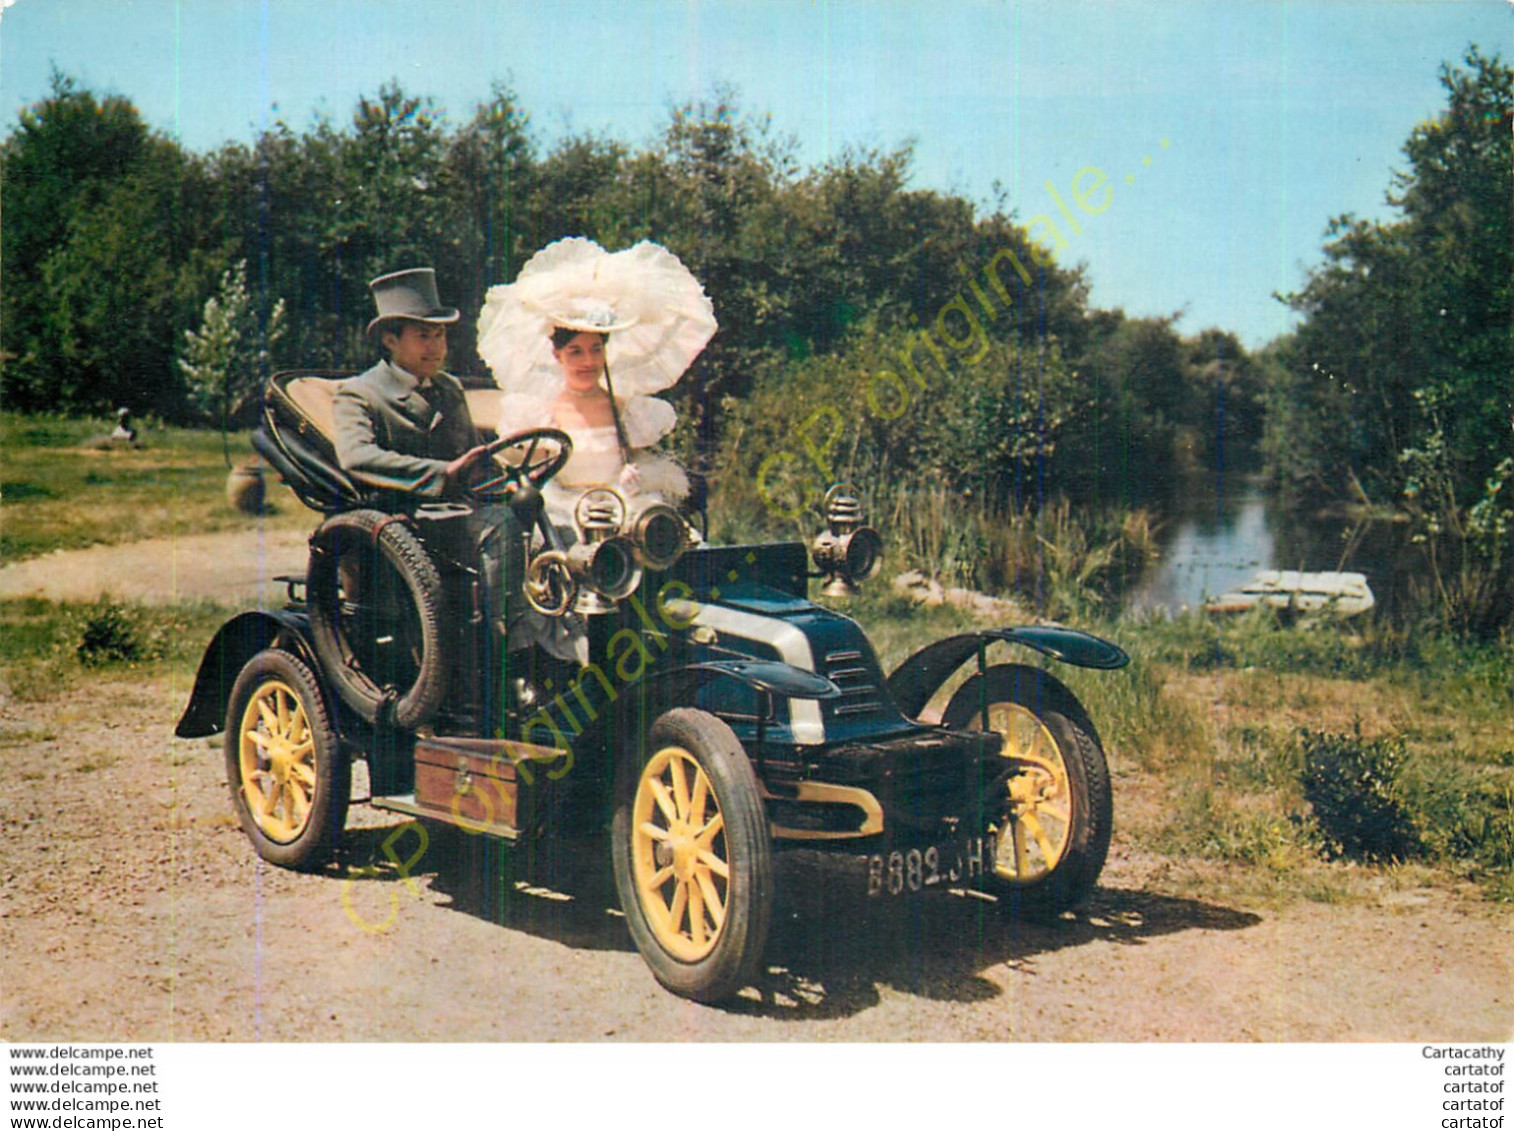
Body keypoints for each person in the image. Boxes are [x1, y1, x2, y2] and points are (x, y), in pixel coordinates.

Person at [332, 267, 493, 499]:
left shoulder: (449, 388)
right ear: (390, 341)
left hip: (463, 507)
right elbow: (355, 457)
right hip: (401, 514)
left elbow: (473, 453)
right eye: (423, 336)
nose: (436, 348)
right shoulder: (360, 394)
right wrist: (442, 472)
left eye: (440, 335)